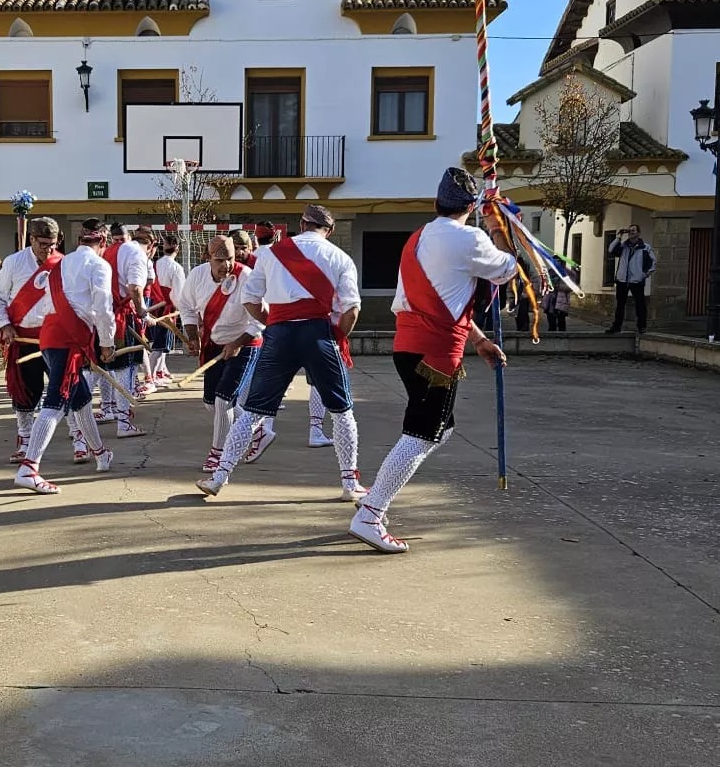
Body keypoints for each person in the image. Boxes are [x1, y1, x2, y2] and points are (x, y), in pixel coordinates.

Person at [349, 166, 515, 555]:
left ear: (437, 202)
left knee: (440, 429)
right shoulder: (469, 238)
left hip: (409, 349)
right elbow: (507, 269)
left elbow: (446, 299)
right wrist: (497, 228)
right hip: (436, 354)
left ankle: (376, 498)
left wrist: (479, 340)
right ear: (471, 206)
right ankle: (371, 511)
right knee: (423, 433)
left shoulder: (418, 237)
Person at [197, 203, 363, 501]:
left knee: (252, 411)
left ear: (301, 224)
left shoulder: (271, 254)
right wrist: (336, 338)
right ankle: (350, 483)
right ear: (331, 230)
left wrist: (272, 322)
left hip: (278, 335)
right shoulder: (340, 257)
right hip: (319, 333)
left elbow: (250, 300)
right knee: (341, 410)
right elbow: (351, 309)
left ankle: (219, 476)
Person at [15, 219, 116, 493]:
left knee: (80, 399)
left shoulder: (60, 265)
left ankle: (100, 453)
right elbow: (103, 307)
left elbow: (46, 303)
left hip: (49, 336)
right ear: (103, 243)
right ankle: (29, 467)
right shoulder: (99, 266)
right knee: (56, 403)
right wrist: (107, 343)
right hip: (68, 341)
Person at [180, 235, 262, 472]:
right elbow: (186, 306)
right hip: (214, 343)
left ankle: (218, 455)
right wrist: (193, 335)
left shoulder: (246, 277)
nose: (225, 265)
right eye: (219, 260)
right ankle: (256, 429)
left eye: (230, 259)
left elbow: (261, 320)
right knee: (211, 403)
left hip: (246, 343)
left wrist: (238, 342)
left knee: (223, 400)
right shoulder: (197, 275)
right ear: (208, 259)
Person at [0, 216, 68, 464]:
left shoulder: (63, 264)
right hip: (24, 336)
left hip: (56, 337)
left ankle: (80, 439)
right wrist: (5, 325)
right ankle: (24, 439)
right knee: (25, 391)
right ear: (31, 239)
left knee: (67, 390)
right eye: (43, 243)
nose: (48, 249)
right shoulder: (14, 263)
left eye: (53, 244)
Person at [101, 223, 148, 438]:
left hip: (104, 315)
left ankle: (82, 426)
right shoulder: (134, 251)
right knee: (125, 369)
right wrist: (141, 312)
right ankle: (123, 422)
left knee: (98, 367)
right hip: (122, 316)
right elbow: (135, 288)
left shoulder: (105, 252)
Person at [141, 226, 184, 390]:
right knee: (159, 346)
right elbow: (178, 293)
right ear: (177, 249)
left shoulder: (155, 264)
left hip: (153, 306)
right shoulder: (176, 268)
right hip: (166, 309)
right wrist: (181, 310)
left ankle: (159, 372)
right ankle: (150, 376)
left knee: (161, 344)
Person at [606, 225, 656, 333]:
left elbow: (653, 261)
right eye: (630, 231)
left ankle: (642, 327)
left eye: (633, 230)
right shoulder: (624, 246)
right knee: (620, 305)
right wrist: (619, 237)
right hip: (622, 280)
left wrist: (645, 274)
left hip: (636, 281)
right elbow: (610, 250)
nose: (631, 232)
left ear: (638, 233)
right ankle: (616, 326)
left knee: (640, 305)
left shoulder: (645, 247)